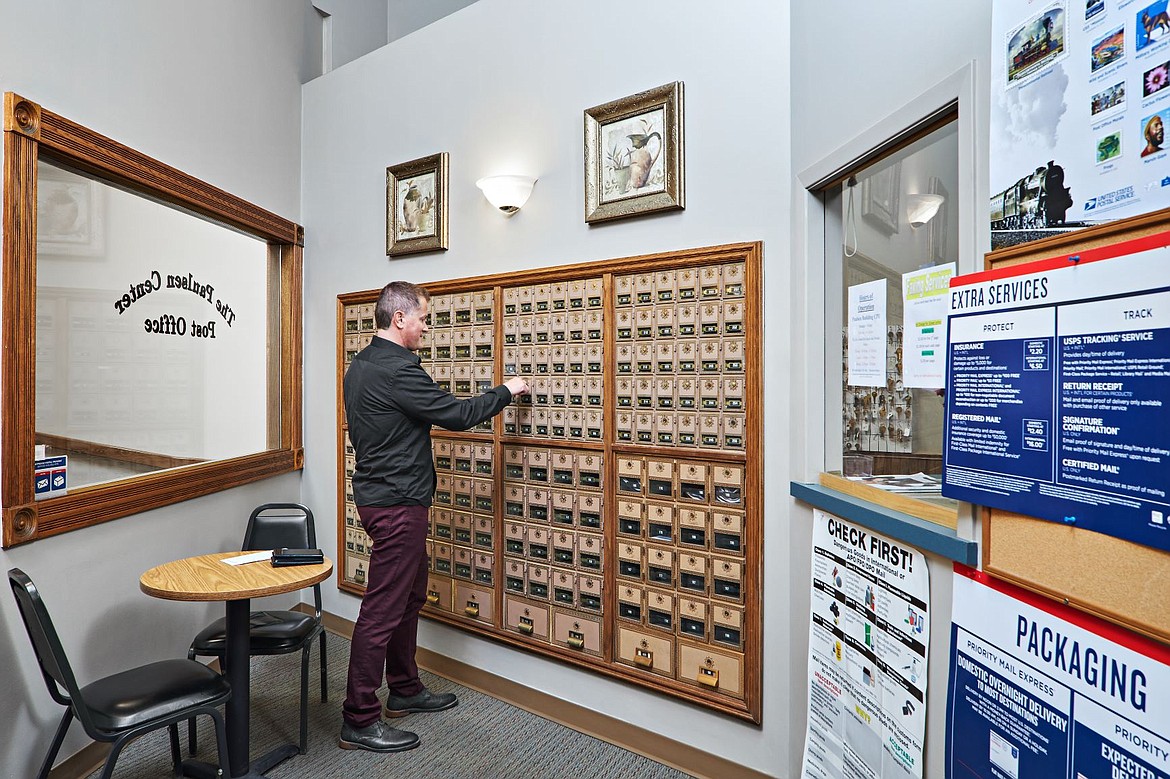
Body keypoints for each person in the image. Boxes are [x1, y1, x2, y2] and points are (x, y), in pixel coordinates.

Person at [340, 280, 529, 753]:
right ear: (399, 317)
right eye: (423, 317)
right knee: (381, 610)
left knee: (408, 596)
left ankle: (404, 688)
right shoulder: (398, 372)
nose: (427, 326)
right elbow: (457, 415)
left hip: (384, 497)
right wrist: (507, 390)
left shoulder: (360, 366)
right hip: (398, 504)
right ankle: (359, 717)